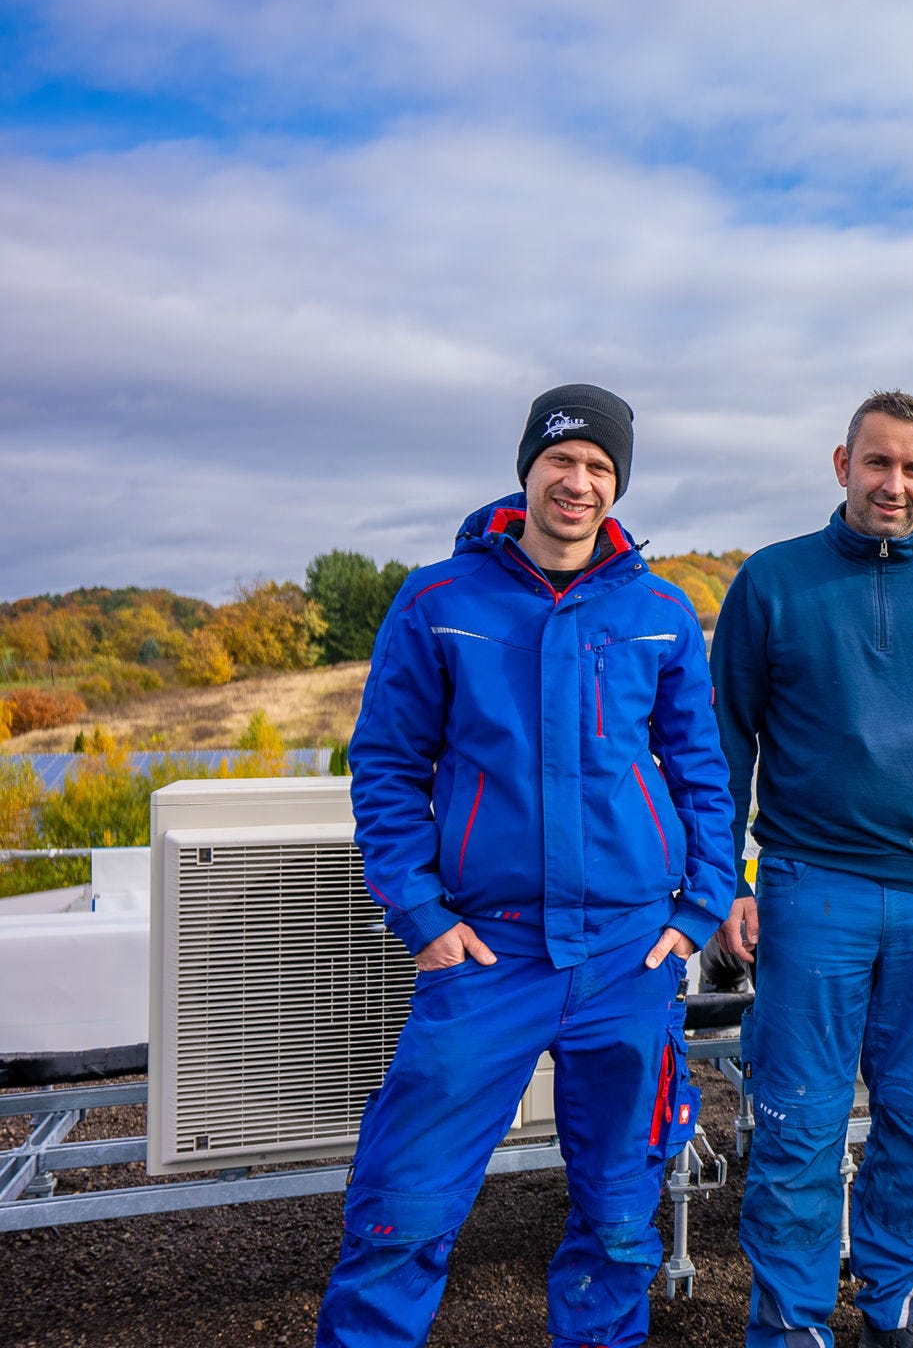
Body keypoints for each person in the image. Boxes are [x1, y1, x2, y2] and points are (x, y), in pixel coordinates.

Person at [317, 383, 735, 1348]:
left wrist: (699, 908)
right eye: (562, 460)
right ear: (528, 469)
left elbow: (702, 771)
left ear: (617, 484)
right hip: (486, 954)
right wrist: (421, 915)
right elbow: (386, 767)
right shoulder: (440, 601)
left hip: (628, 955)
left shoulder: (660, 612)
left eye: (599, 467)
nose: (578, 482)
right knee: (402, 1205)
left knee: (621, 1216)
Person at [711, 390, 913, 1348]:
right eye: (878, 462)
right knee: (799, 1125)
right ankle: (792, 1326)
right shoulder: (772, 583)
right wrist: (725, 878)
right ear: (842, 462)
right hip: (812, 890)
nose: (894, 483)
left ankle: (900, 1311)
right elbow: (724, 744)